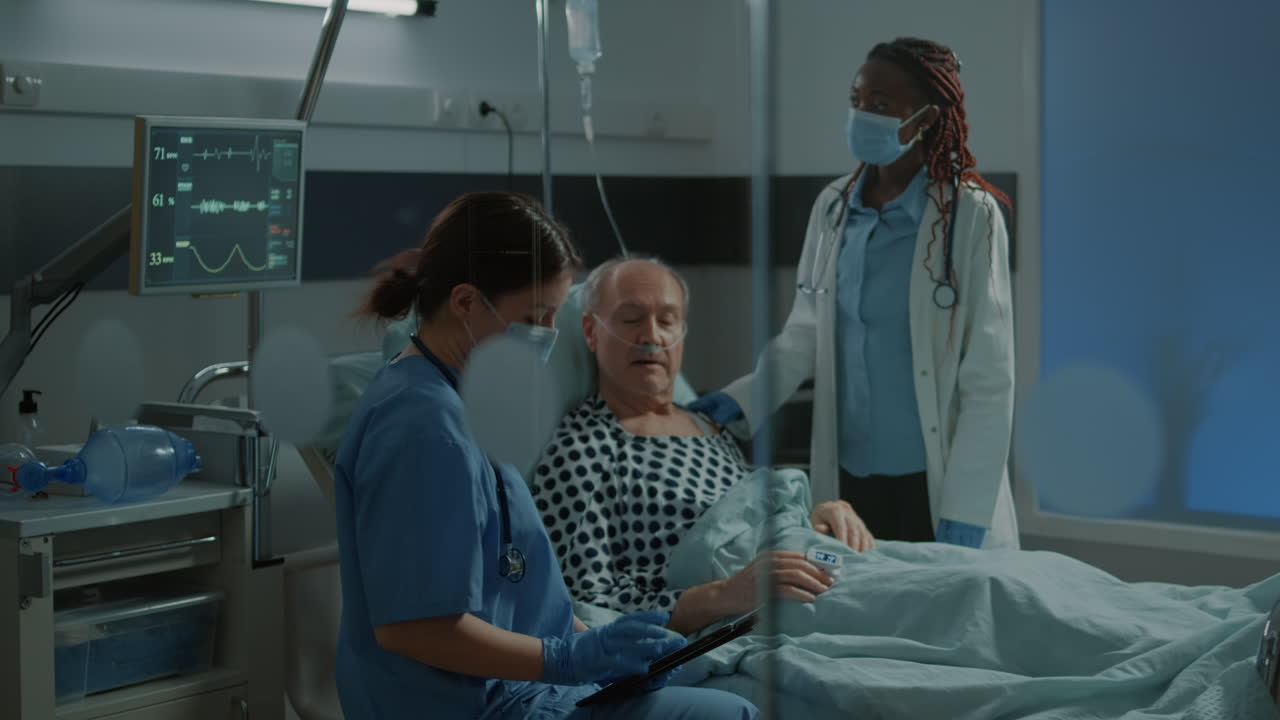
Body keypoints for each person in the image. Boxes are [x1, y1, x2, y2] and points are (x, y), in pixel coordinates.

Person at [333, 192, 759, 720]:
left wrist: (609, 649)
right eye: (536, 316)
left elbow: (521, 591)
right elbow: (412, 627)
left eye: (556, 314)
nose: (550, 335)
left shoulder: (466, 402)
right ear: (465, 302)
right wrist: (567, 659)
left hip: (516, 689)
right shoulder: (423, 427)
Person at [690, 37, 1019, 549]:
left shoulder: (970, 216)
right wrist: (740, 400)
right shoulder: (833, 208)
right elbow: (805, 332)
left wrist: (968, 512)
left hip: (934, 483)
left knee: (943, 619)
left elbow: (990, 377)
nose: (863, 115)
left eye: (882, 106)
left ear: (927, 119)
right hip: (849, 483)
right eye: (857, 101)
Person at [532, 257, 842, 636]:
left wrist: (821, 518)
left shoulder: (707, 428)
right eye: (631, 319)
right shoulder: (581, 451)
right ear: (591, 332)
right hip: (768, 615)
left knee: (929, 575)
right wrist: (725, 594)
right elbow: (586, 604)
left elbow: (752, 523)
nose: (652, 336)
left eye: (667, 320)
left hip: (819, 567)